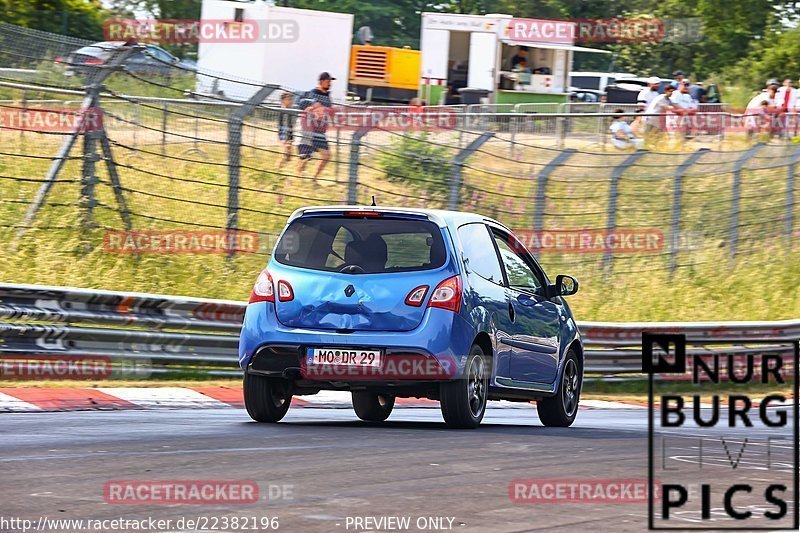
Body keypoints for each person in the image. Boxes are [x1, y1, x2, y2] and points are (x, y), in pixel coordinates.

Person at [297, 72, 335, 180]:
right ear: (321, 81)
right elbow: (301, 103)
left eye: (330, 82)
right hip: (310, 130)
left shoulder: (327, 96)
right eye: (328, 81)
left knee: (326, 156)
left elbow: (329, 110)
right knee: (305, 157)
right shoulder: (313, 93)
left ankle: (314, 178)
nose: (330, 84)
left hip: (321, 131)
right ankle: (299, 177)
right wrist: (312, 105)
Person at [277, 92, 295, 169]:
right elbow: (282, 125)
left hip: (289, 133)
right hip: (283, 133)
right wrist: (283, 138)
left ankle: (283, 169)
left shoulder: (289, 109)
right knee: (284, 152)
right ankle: (278, 168)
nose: (291, 101)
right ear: (283, 100)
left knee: (289, 156)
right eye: (289, 99)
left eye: (291, 99)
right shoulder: (283, 109)